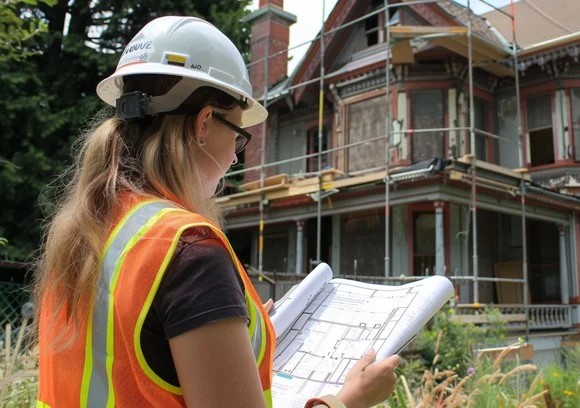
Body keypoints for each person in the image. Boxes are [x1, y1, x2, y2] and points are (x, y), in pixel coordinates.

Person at [34, 15, 400, 408]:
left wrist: (229, 320)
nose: (236, 159)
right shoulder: (188, 250)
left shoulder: (85, 230)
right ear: (205, 123)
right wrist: (348, 401)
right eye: (239, 137)